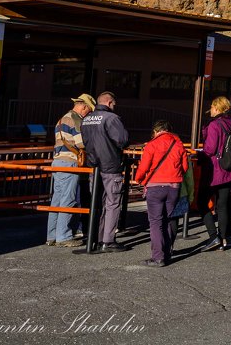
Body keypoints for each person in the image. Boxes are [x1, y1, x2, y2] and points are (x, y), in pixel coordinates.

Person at [77, 91, 129, 253]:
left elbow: (84, 142)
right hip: (111, 166)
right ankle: (107, 240)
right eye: (114, 104)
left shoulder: (87, 119)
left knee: (96, 203)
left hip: (94, 166)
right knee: (112, 203)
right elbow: (122, 140)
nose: (114, 106)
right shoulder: (111, 118)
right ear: (109, 102)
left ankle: (94, 238)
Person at [133, 120, 187, 266]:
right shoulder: (178, 144)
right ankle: (167, 253)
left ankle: (158, 257)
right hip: (174, 187)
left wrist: (138, 179)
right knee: (168, 220)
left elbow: (144, 167)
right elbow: (185, 167)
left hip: (155, 187)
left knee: (156, 222)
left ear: (156, 131)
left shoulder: (152, 144)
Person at [46, 94, 93, 247]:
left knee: (56, 200)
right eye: (89, 110)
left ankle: (51, 235)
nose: (88, 114)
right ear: (84, 106)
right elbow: (81, 143)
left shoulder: (61, 119)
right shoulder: (76, 119)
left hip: (57, 161)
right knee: (68, 199)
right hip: (69, 163)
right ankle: (64, 237)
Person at [199, 96, 231, 251]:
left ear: (217, 108)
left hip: (215, 169)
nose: (211, 109)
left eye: (213, 107)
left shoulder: (214, 125)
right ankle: (225, 238)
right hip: (230, 167)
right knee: (224, 205)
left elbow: (209, 149)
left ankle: (213, 236)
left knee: (202, 202)